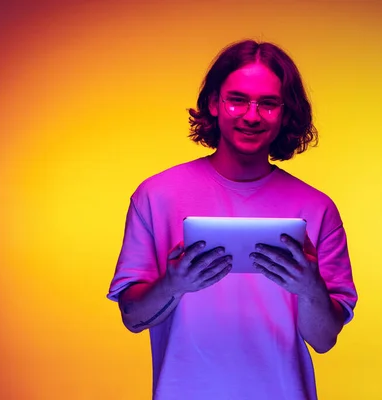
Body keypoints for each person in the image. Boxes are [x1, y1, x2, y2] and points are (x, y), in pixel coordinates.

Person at [107, 39, 358, 400]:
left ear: (286, 113)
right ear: (213, 103)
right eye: (237, 99)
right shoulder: (155, 196)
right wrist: (174, 284)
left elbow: (323, 341)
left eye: (269, 104)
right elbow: (133, 318)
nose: (252, 116)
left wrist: (309, 287)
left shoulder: (317, 209)